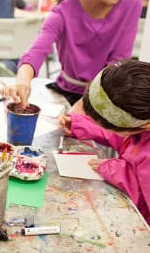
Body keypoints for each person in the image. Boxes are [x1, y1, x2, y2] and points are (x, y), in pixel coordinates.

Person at [0, 0, 142, 107]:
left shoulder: (130, 7)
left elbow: (117, 64)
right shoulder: (61, 14)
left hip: (106, 96)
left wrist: (85, 108)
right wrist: (23, 82)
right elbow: (35, 53)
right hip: (65, 95)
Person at [59, 60, 150, 224]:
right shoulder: (141, 119)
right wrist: (80, 124)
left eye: (110, 127)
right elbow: (124, 137)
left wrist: (122, 173)